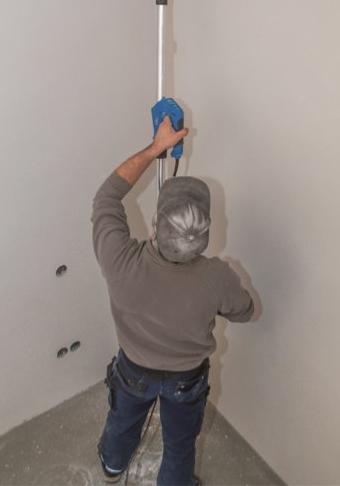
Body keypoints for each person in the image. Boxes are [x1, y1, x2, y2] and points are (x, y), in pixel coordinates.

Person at [92, 116, 255, 485]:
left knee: (122, 421)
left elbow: (106, 196)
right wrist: (224, 288)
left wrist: (156, 148)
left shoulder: (119, 259)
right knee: (181, 445)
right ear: (205, 235)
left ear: (155, 226)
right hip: (186, 381)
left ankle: (113, 466)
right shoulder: (216, 277)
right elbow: (245, 311)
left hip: (133, 371)